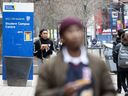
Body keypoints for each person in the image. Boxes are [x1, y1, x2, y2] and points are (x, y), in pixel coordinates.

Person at [35, 17, 116, 96]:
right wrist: (62, 92)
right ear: (62, 37)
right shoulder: (50, 66)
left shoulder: (98, 63)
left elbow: (109, 91)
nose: (75, 35)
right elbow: (40, 93)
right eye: (70, 31)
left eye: (78, 30)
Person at [112, 29, 125, 93]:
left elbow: (114, 51)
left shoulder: (116, 41)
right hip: (126, 60)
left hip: (118, 61)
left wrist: (114, 60)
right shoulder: (126, 39)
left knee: (119, 74)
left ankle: (119, 88)